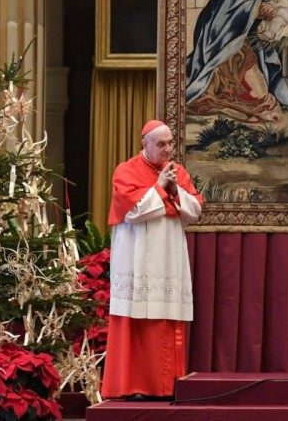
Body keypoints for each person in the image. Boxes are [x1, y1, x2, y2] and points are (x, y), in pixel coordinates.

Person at [102, 120, 204, 400]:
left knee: (166, 319)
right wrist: (160, 186)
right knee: (136, 321)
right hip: (136, 256)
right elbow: (132, 211)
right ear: (144, 144)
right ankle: (134, 385)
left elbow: (194, 210)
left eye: (171, 143)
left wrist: (173, 189)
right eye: (161, 144)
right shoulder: (126, 170)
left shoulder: (178, 172)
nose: (168, 149)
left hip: (169, 256)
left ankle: (167, 385)